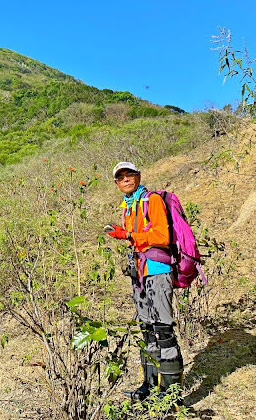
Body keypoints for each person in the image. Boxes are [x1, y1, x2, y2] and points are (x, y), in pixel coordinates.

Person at [104, 161, 183, 401]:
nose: (126, 179)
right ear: (117, 184)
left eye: (130, 175)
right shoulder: (129, 206)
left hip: (157, 270)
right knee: (147, 330)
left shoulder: (152, 201)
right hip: (140, 273)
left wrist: (128, 234)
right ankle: (149, 387)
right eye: (121, 177)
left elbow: (162, 237)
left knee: (163, 329)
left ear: (139, 176)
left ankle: (170, 396)